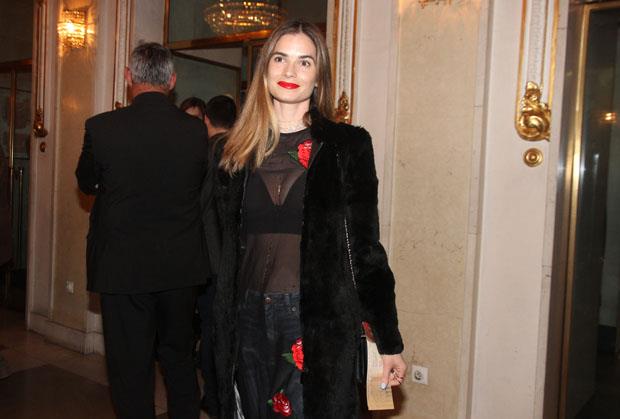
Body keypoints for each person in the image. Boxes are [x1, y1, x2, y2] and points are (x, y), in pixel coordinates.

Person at [209, 20, 407, 419]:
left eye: (304, 62)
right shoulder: (231, 152)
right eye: (280, 59)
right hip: (245, 319)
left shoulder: (347, 146)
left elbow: (366, 250)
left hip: (315, 321)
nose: (290, 71)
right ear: (265, 70)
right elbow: (222, 248)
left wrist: (388, 339)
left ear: (319, 77)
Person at [76, 42, 210, 419]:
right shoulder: (196, 131)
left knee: (130, 367)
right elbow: (199, 185)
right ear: (172, 80)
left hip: (122, 267)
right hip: (180, 266)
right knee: (179, 359)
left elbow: (86, 182)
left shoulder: (101, 127)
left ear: (129, 77)